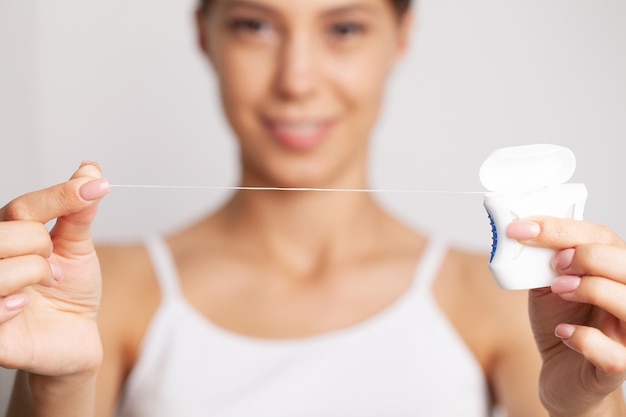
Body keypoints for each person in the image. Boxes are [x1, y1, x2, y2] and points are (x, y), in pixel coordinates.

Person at [2, 0, 626, 415]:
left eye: (344, 28)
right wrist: (54, 387)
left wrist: (591, 408)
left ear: (401, 37)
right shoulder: (93, 291)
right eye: (256, 25)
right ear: (205, 34)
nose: (297, 79)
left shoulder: (511, 305)